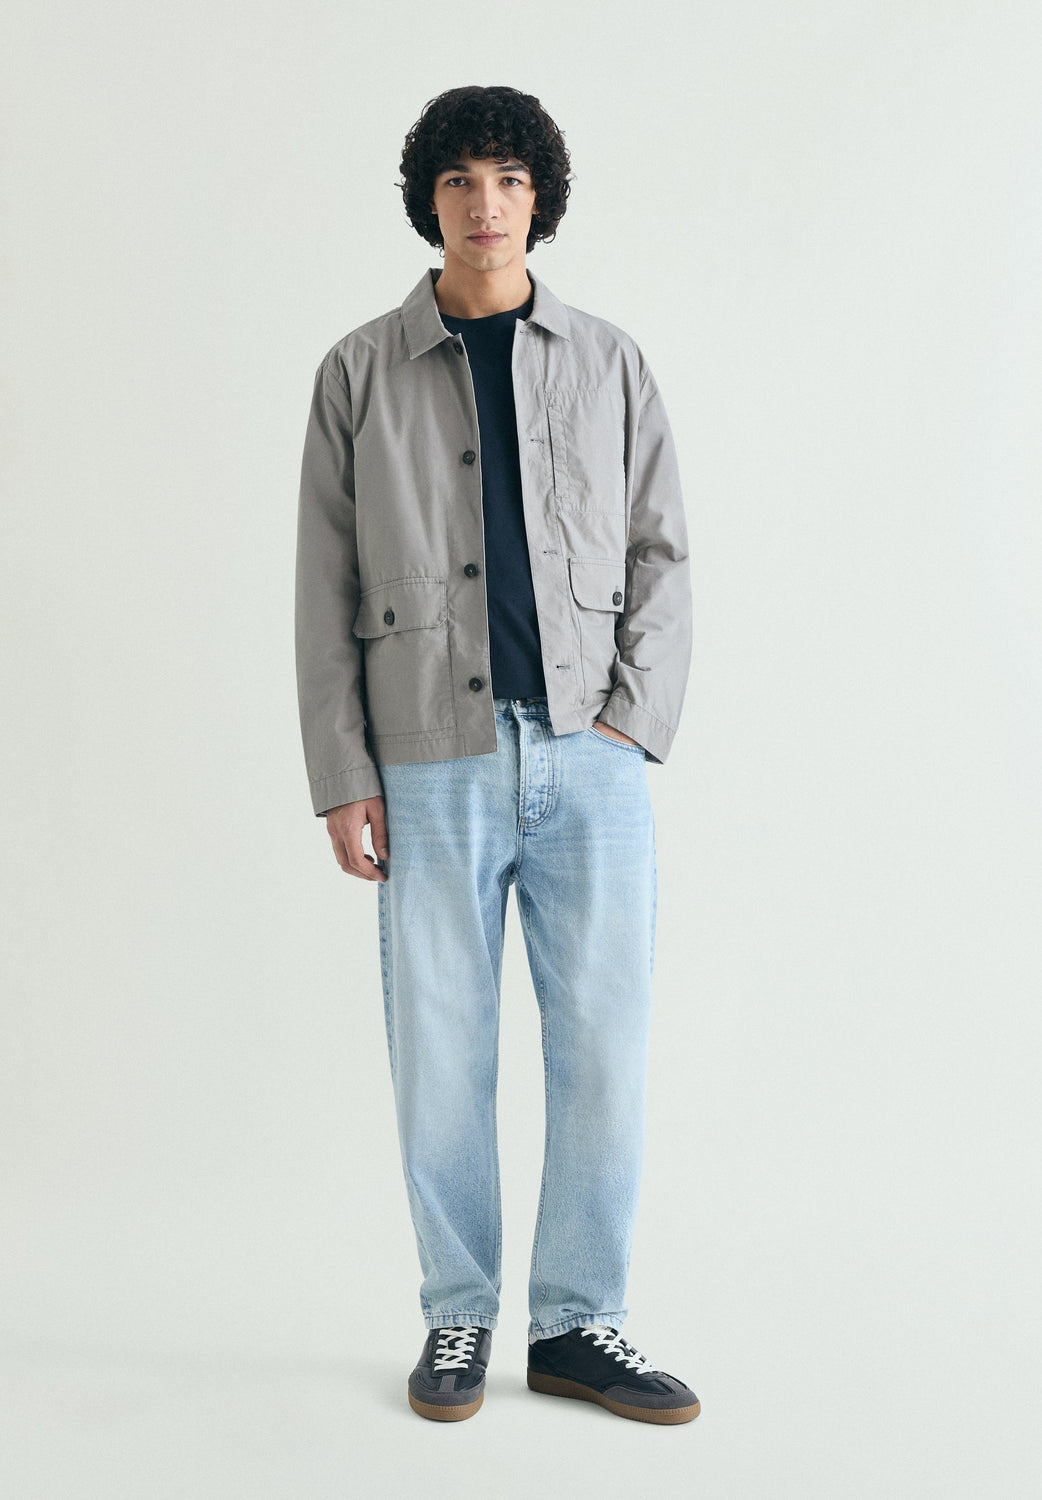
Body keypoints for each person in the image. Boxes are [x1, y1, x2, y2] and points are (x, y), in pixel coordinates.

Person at [294, 84, 698, 1425]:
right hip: (428, 757)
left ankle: (577, 1325)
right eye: (462, 180)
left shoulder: (609, 362)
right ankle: (457, 1315)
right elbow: (321, 584)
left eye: (510, 180)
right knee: (441, 1052)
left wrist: (632, 720)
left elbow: (661, 551)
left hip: (590, 754)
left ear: (541, 200)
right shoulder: (359, 372)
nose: (486, 205)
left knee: (605, 1048)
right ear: (430, 200)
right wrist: (344, 773)